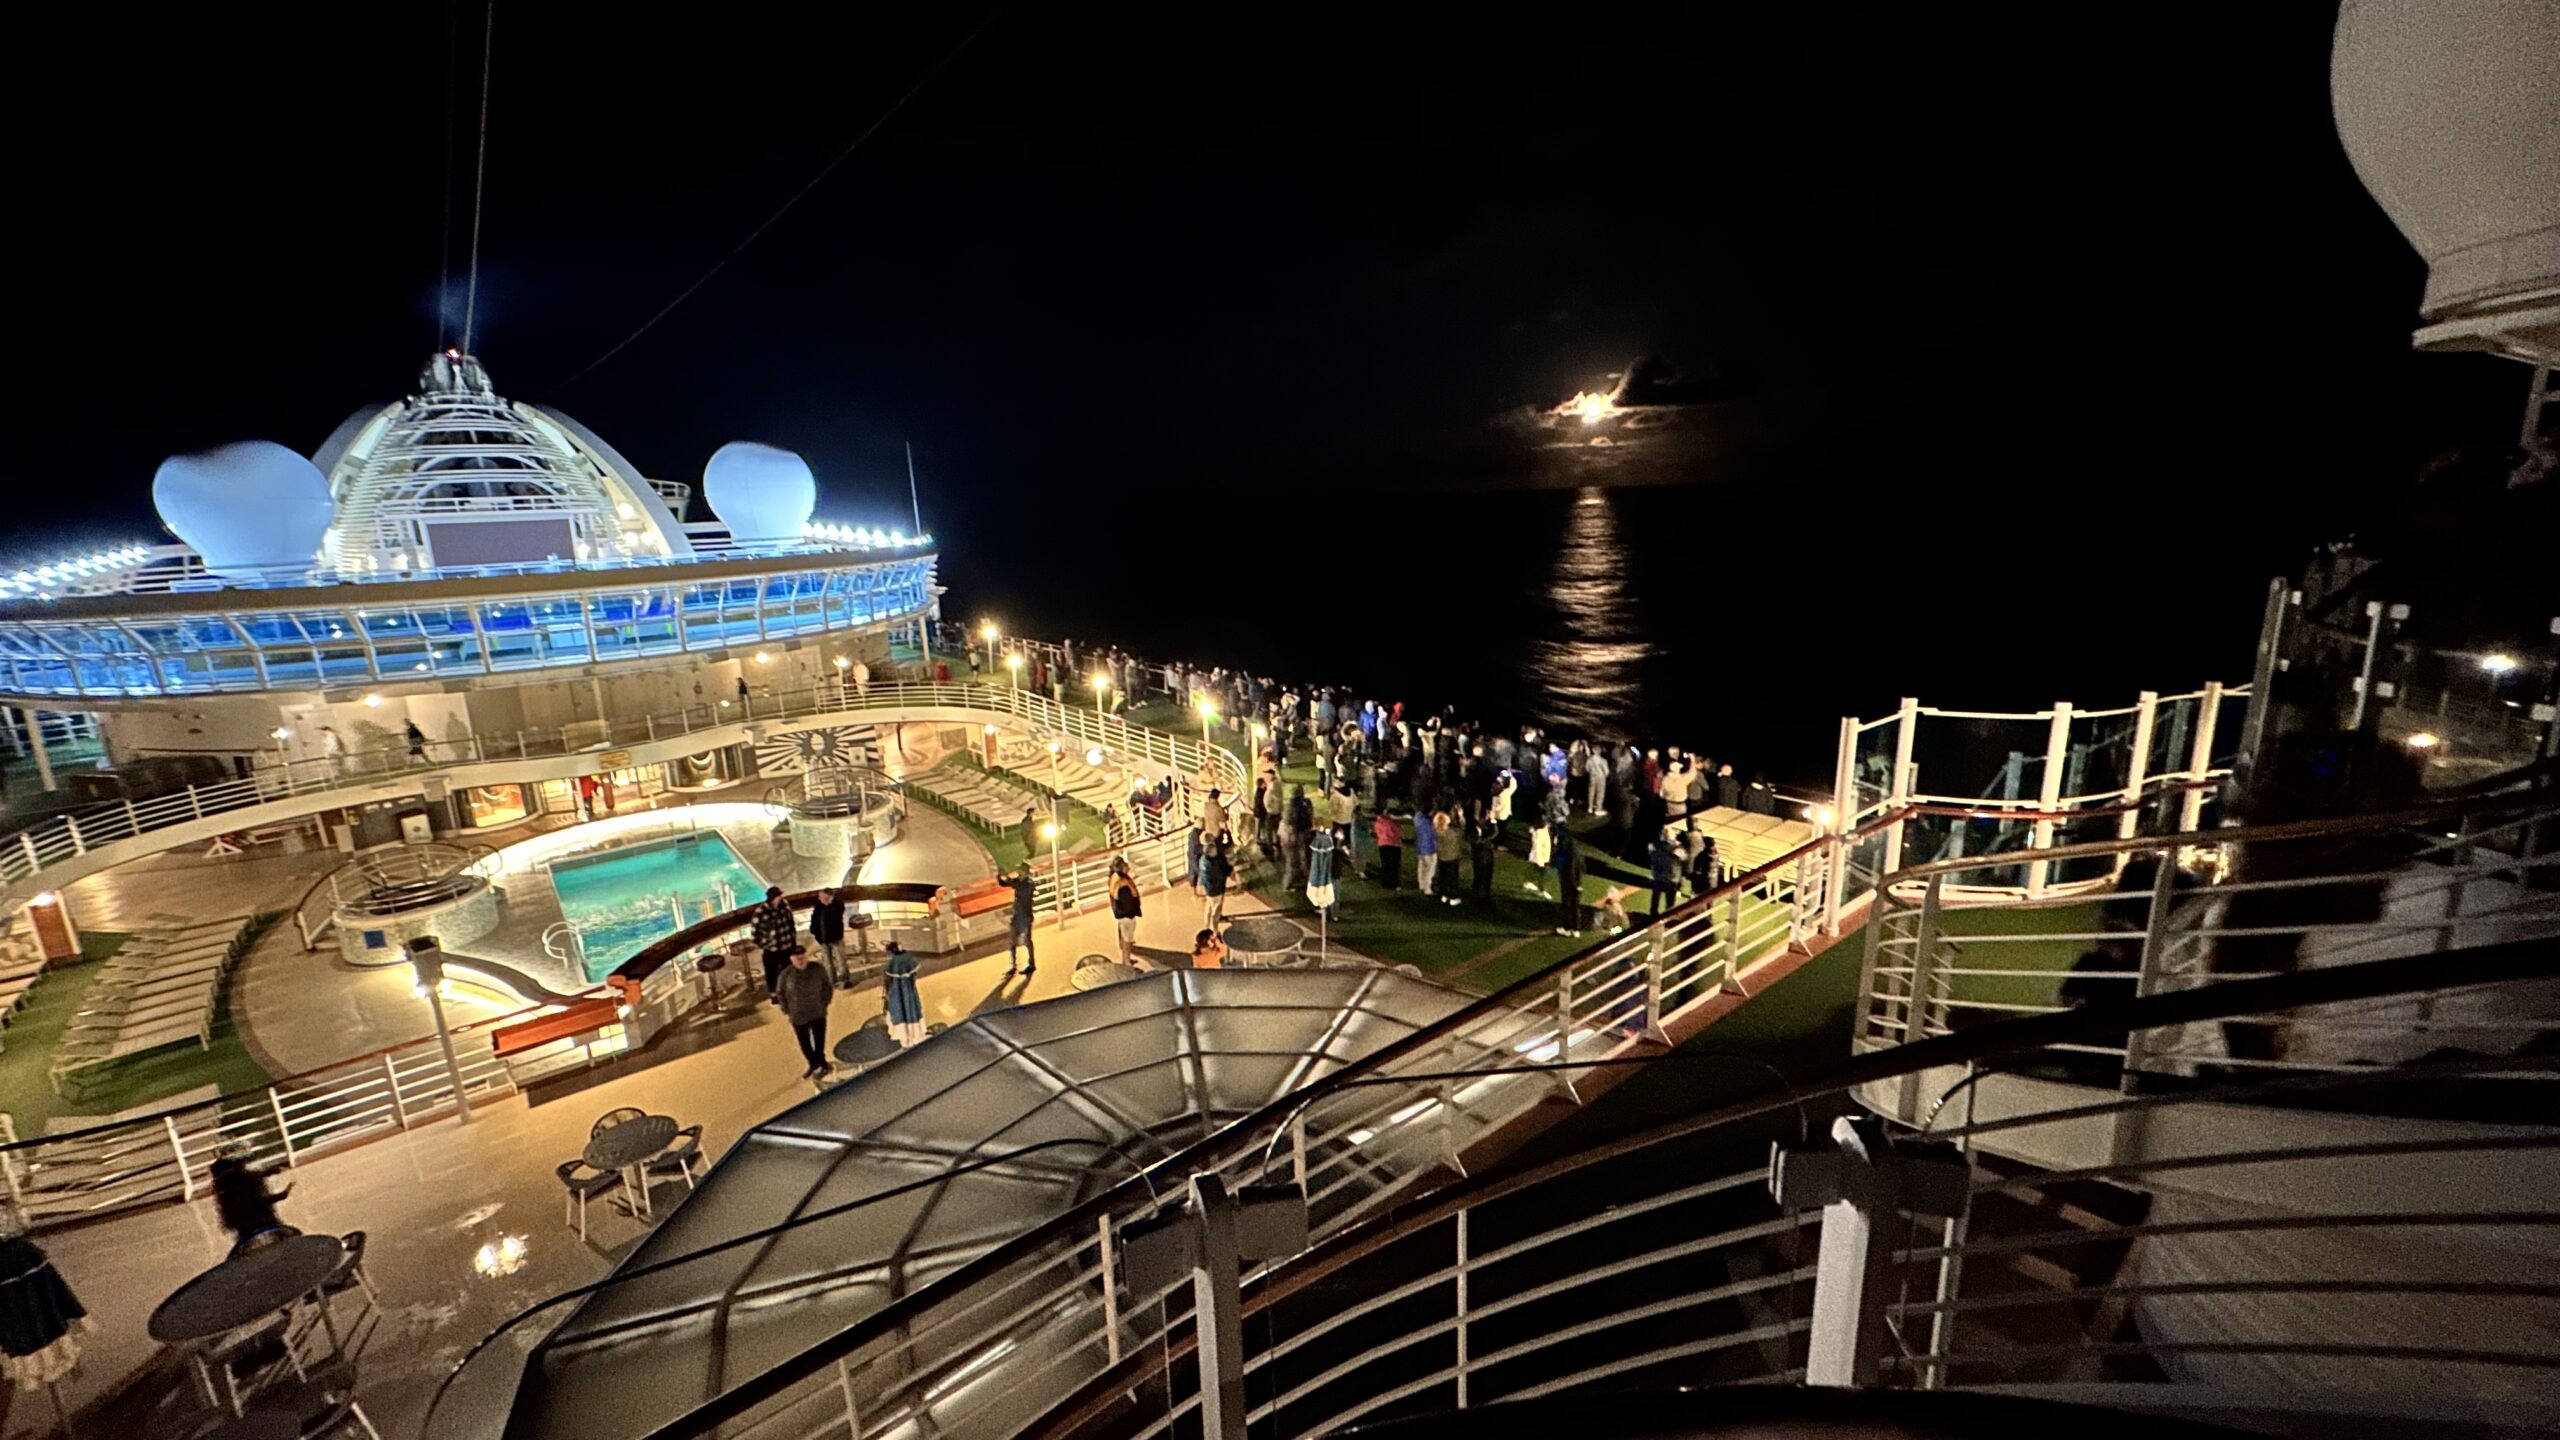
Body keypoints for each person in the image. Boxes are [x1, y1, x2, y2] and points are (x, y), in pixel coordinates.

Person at [210, 1155, 294, 1255]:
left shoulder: (224, 1191)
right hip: (263, 1221)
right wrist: (281, 1194)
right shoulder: (246, 1179)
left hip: (247, 1229)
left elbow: (232, 1218)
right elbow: (258, 1202)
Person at [777, 945, 835, 1078]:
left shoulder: (818, 969)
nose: (801, 961)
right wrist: (787, 1010)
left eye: (803, 958)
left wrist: (825, 1003)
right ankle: (813, 1063)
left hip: (817, 1011)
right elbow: (780, 993)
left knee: (819, 1039)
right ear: (792, 960)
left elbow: (827, 986)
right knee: (804, 1043)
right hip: (798, 1015)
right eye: (797, 959)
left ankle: (821, 1061)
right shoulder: (785, 975)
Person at [751, 886, 797, 998]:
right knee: (771, 973)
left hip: (787, 946)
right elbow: (755, 934)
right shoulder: (760, 912)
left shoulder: (785, 906)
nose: (780, 898)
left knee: (789, 970)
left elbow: (791, 923)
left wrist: (793, 941)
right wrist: (767, 944)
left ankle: (789, 991)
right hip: (772, 950)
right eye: (778, 896)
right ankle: (774, 994)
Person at [882, 941, 926, 1048]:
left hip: (896, 992)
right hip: (910, 991)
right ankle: (914, 1035)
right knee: (912, 1009)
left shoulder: (893, 962)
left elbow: (887, 981)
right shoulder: (908, 958)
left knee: (898, 1010)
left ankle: (905, 1038)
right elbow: (914, 972)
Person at [808, 887, 849, 986]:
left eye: (821, 896)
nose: (819, 898)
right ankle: (831, 981)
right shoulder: (818, 906)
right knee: (827, 962)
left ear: (828, 896)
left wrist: (828, 904)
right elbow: (814, 920)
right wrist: (814, 932)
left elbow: (835, 919)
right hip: (823, 939)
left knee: (840, 960)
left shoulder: (837, 905)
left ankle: (844, 980)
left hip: (835, 938)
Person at [1001, 866, 1038, 975]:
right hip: (1018, 916)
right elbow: (1004, 883)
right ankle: (1013, 965)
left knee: (1027, 941)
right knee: (1012, 941)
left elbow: (1019, 888)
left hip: (1025, 916)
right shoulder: (1021, 883)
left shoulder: (1028, 884)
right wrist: (1001, 877)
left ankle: (1031, 964)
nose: (1018, 874)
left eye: (1020, 872)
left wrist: (1007, 878)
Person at [1108, 857, 1143, 963]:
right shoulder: (1120, 880)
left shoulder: (1118, 878)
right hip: (1126, 913)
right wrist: (1128, 885)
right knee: (1127, 938)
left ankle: (1126, 959)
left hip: (1124, 913)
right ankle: (1126, 961)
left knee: (1125, 936)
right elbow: (1117, 895)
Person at [1553, 826, 1584, 937]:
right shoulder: (1576, 849)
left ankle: (1566, 927)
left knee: (1567, 903)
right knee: (1575, 905)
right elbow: (1581, 866)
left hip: (1569, 880)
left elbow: (1568, 866)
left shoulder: (1566, 847)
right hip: (1577, 880)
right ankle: (1575, 929)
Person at [1200, 835, 1233, 926]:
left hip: (1208, 888)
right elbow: (1220, 875)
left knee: (1209, 906)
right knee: (1216, 909)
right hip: (1216, 890)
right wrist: (1229, 869)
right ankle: (1214, 929)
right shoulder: (1213, 865)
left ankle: (1206, 926)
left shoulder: (1203, 860)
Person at [1468, 811, 1498, 906]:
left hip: (1485, 859)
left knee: (1485, 880)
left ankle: (1484, 897)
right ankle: (1478, 898)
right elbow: (1493, 834)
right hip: (1481, 860)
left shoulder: (1481, 830)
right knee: (1480, 879)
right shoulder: (1473, 834)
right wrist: (1493, 821)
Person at [1649, 833, 1682, 917]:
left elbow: (1652, 857)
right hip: (1672, 877)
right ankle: (1669, 915)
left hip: (1659, 876)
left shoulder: (1657, 847)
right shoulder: (1676, 849)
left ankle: (1653, 912)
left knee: (1656, 896)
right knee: (1670, 900)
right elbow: (1684, 857)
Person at [1413, 805, 1441, 902]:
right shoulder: (1430, 824)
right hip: (1429, 848)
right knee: (1430, 869)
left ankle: (1421, 884)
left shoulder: (1418, 819)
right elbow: (1435, 836)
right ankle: (1427, 888)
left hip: (1420, 847)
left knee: (1421, 866)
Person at [1372, 809, 1402, 890]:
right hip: (1394, 844)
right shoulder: (1393, 822)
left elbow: (1377, 832)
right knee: (1394, 865)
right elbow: (1399, 832)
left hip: (1382, 844)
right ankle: (1394, 883)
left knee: (1385, 864)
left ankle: (1385, 882)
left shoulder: (1378, 822)